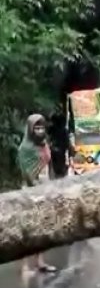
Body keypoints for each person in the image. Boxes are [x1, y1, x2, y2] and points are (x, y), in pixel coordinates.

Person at [16, 114, 57, 275]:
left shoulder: (44, 144)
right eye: (36, 128)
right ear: (30, 129)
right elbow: (26, 171)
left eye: (42, 127)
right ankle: (25, 266)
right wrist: (34, 187)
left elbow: (48, 164)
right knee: (27, 227)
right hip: (30, 189)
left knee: (42, 227)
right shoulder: (25, 148)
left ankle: (40, 262)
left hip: (45, 186)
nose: (40, 131)